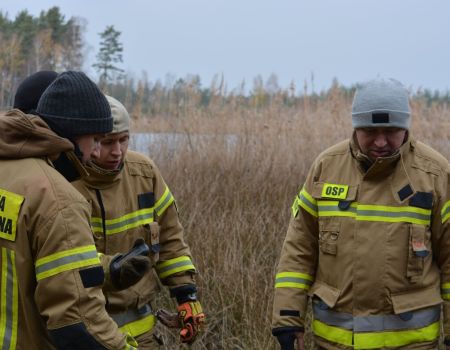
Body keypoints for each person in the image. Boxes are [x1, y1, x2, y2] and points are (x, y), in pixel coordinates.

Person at [271, 78, 450, 350]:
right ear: (355, 127)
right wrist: (287, 318)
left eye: (391, 131)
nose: (380, 142)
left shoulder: (435, 175)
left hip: (411, 344)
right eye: (369, 131)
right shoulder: (326, 167)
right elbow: (298, 250)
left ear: (406, 127)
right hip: (335, 343)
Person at [0, 71, 141, 349]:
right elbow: (78, 323)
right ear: (73, 134)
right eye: (97, 140)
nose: (97, 152)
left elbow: (29, 262)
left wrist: (105, 269)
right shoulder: (57, 199)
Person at [71, 95, 205, 349]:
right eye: (108, 142)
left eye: (124, 140)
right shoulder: (68, 182)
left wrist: (185, 295)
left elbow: (170, 240)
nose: (117, 151)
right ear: (90, 141)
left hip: (143, 332)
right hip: (91, 333)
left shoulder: (144, 172)